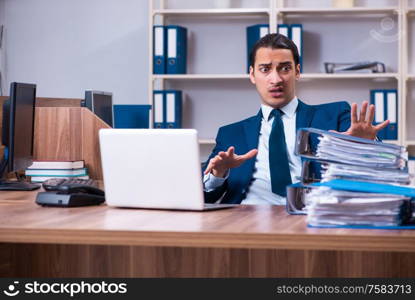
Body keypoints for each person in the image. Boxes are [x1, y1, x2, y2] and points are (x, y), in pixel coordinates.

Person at [202, 33, 389, 205]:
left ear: (297, 72)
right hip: (247, 221)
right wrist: (219, 174)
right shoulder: (230, 134)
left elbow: (382, 170)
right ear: (252, 75)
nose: (275, 79)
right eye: (265, 69)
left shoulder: (336, 114)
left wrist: (365, 146)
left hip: (312, 217)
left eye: (284, 68)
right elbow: (206, 197)